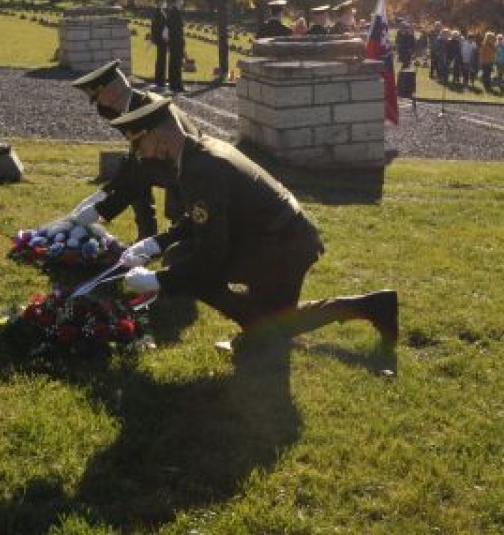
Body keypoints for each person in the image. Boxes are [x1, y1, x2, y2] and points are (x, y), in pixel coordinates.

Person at [107, 93, 399, 357]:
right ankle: (373, 306)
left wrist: (159, 280)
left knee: (209, 282)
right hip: (275, 239)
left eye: (138, 143)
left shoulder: (199, 168)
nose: (139, 154)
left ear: (157, 135)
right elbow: (204, 217)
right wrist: (156, 243)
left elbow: (210, 254)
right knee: (188, 261)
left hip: (283, 248)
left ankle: (264, 329)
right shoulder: (199, 151)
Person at [64, 60, 188, 238]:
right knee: (131, 168)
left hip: (186, 168)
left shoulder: (145, 110)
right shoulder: (133, 107)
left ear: (110, 93)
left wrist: (101, 209)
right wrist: (104, 191)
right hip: (168, 164)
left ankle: (170, 238)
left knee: (139, 178)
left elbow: (143, 168)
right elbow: (135, 159)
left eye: (98, 98)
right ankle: (147, 234)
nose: (99, 105)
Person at [166, 0, 186, 93]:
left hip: (176, 42)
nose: (182, 1)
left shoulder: (175, 12)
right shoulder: (174, 13)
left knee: (175, 63)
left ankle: (175, 85)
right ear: (177, 0)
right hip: (175, 43)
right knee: (176, 64)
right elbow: (173, 30)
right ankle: (176, 85)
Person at [149, 0, 169, 91]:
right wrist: (159, 37)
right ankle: (160, 81)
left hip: (161, 39)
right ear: (159, 2)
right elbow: (155, 27)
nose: (164, 3)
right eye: (162, 1)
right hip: (161, 39)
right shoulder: (158, 13)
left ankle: (160, 80)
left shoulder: (160, 12)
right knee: (161, 60)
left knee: (161, 60)